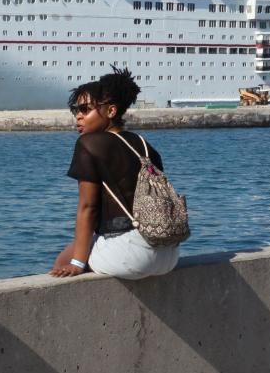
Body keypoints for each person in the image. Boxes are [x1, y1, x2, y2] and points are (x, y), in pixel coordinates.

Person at [51, 67, 181, 280]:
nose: (79, 117)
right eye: (76, 110)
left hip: (131, 255)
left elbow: (88, 207)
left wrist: (77, 263)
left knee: (63, 262)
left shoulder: (89, 144)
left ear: (111, 111)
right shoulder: (146, 147)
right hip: (169, 254)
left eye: (85, 109)